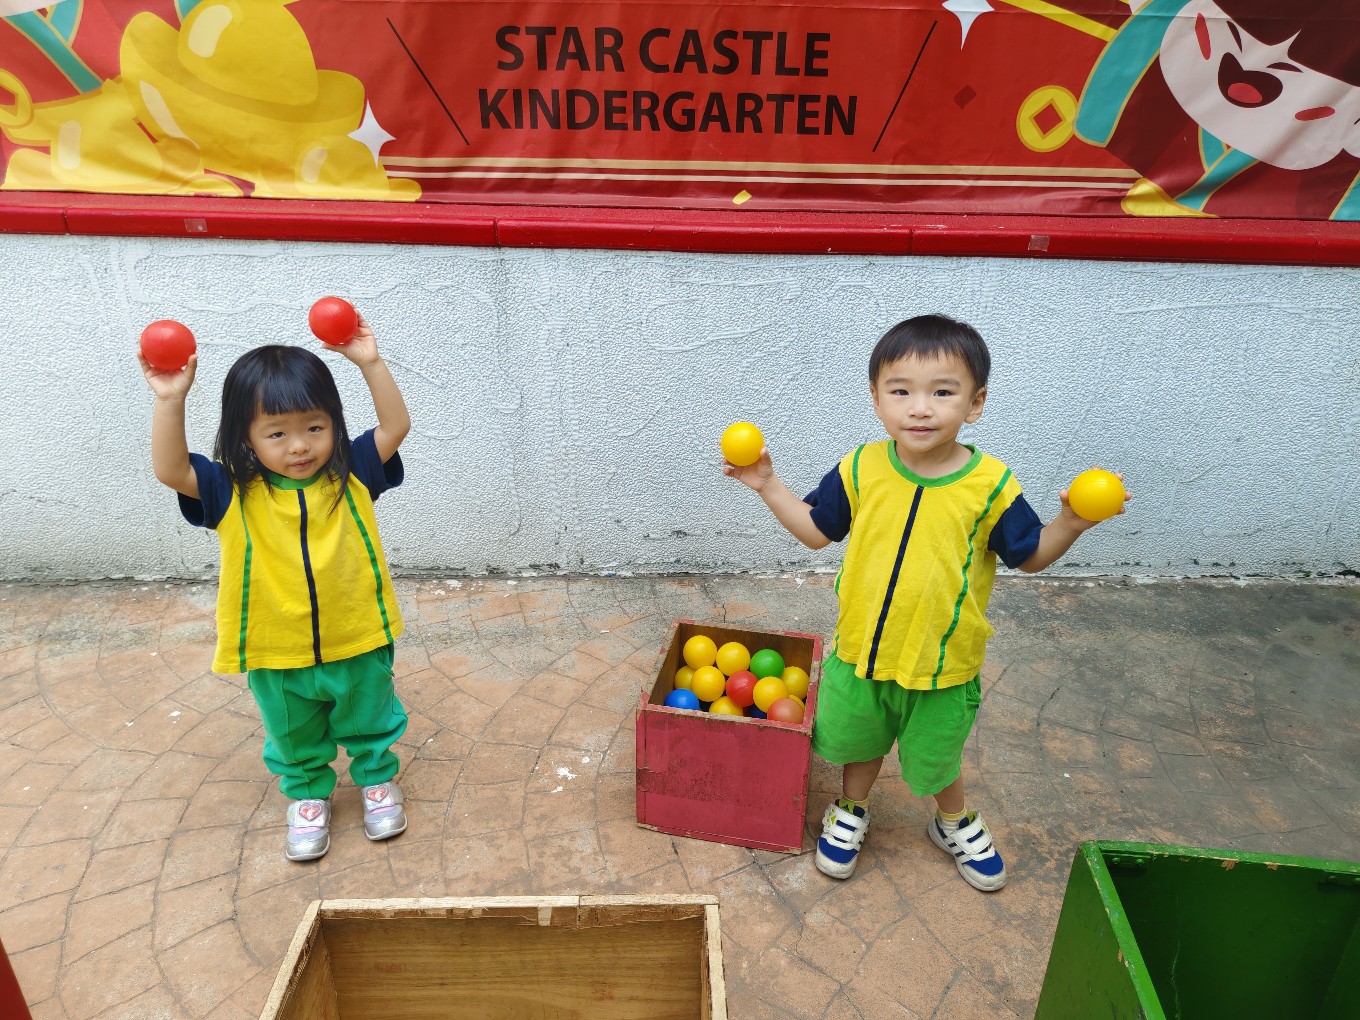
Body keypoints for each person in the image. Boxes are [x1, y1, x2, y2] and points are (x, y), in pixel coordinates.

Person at [722, 314, 1128, 889]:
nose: (920, 408)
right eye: (901, 391)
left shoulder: (992, 486)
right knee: (861, 741)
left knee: (938, 755)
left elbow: (1031, 555)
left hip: (942, 660)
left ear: (975, 404)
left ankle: (953, 821)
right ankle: (851, 809)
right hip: (865, 650)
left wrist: (1070, 523)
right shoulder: (859, 468)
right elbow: (815, 532)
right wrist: (767, 484)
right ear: (875, 399)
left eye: (942, 392)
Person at [138, 312, 412, 862]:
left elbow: (395, 427)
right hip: (274, 647)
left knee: (370, 717)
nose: (299, 446)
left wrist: (370, 363)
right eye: (277, 433)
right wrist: (170, 399)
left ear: (333, 423)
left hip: (357, 633)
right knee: (291, 732)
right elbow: (171, 470)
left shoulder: (353, 471)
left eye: (315, 427)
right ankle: (308, 795)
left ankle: (376, 780)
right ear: (246, 437)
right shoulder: (229, 490)